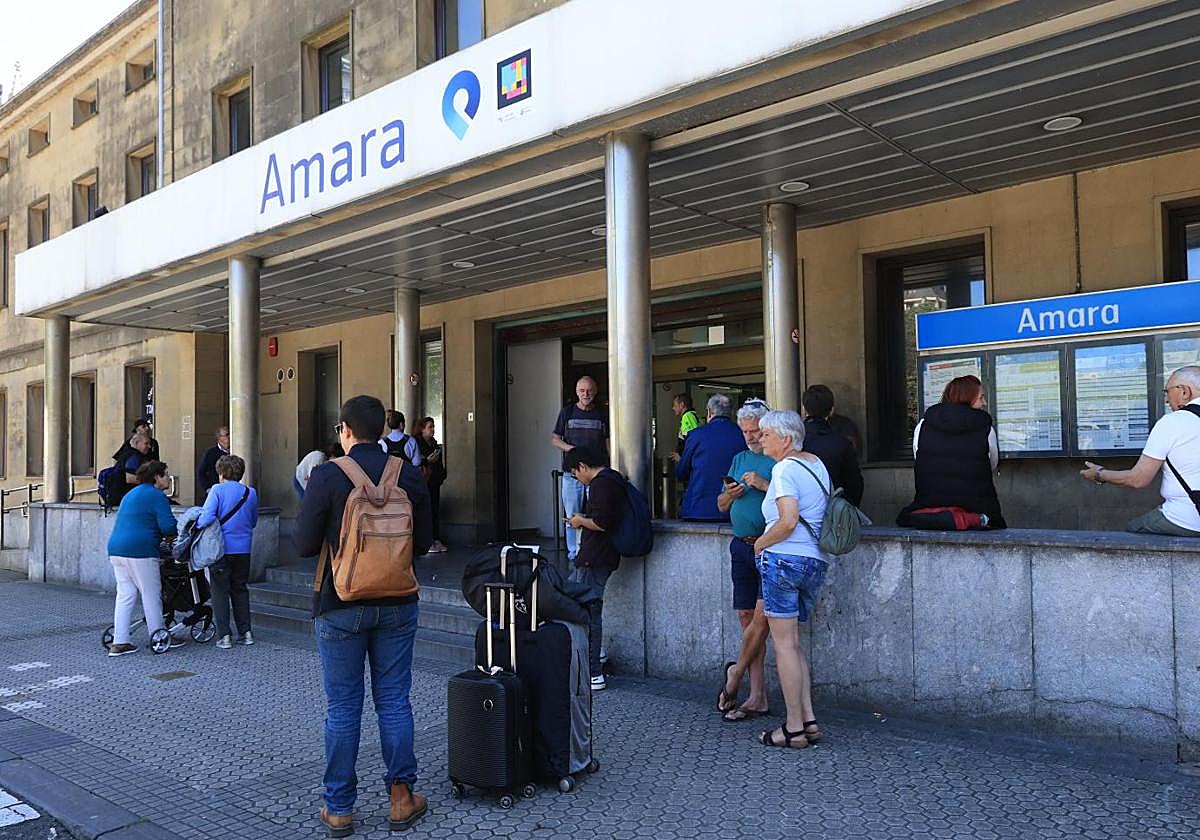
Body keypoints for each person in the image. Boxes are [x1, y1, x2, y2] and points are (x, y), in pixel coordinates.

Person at [296, 395, 432, 836]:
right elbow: (425, 541)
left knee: (342, 708)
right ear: (384, 430)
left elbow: (301, 543)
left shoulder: (328, 475)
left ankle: (339, 808)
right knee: (394, 701)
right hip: (398, 603)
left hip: (340, 605)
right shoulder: (409, 474)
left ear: (345, 430)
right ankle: (400, 798)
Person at [754, 410, 831, 749]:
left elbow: (787, 521)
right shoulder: (817, 464)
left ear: (785, 439)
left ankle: (793, 728)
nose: (760, 438)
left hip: (783, 559)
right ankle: (808, 720)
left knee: (784, 645)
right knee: (794, 644)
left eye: (766, 434)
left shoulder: (784, 468)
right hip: (813, 561)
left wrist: (760, 544)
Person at [1080, 365, 1200, 537]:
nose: (1166, 400)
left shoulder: (1174, 422)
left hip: (1188, 518)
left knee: (1134, 530)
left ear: (1184, 392)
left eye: (1167, 391)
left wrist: (1099, 474)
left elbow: (1138, 479)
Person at [714, 399, 774, 722]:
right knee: (746, 618)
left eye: (754, 430)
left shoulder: (776, 459)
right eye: (745, 431)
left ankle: (735, 677)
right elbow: (721, 504)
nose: (750, 436)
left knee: (761, 622)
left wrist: (762, 485)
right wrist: (730, 495)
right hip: (740, 545)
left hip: (768, 547)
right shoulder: (738, 458)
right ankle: (757, 694)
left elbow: (787, 500)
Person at [897, 375, 1007, 529]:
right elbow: (991, 464)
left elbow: (919, 458)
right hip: (978, 510)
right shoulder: (985, 427)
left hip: (931, 507)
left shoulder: (923, 425)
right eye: (981, 397)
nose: (984, 403)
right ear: (967, 397)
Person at [562, 446, 624, 691]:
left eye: (575, 473)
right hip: (599, 556)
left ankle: (593, 671)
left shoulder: (601, 484)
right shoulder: (613, 479)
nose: (576, 478)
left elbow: (602, 523)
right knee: (586, 609)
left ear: (583, 467)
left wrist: (579, 521)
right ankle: (594, 660)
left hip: (595, 557)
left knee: (588, 612)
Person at [105, 460, 182, 657]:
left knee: (125, 594)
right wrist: (172, 535)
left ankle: (120, 641)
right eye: (165, 474)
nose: (168, 478)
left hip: (116, 548)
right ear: (156, 477)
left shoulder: (131, 494)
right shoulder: (156, 496)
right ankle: (159, 636)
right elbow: (168, 527)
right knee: (151, 593)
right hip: (141, 550)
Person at [198, 454, 259, 650]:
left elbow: (206, 517)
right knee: (240, 589)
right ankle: (246, 632)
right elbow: (253, 521)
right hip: (243, 549)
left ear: (222, 473)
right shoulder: (251, 492)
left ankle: (224, 635)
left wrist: (196, 524)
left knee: (220, 591)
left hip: (220, 549)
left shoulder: (217, 490)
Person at [551, 376, 609, 562]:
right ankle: (573, 555)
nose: (586, 394)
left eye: (589, 390)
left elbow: (608, 441)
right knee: (572, 516)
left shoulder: (602, 414)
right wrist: (572, 450)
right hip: (572, 474)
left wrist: (612, 465)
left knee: (596, 516)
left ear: (595, 391)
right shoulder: (567, 412)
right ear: (577, 392)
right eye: (582, 391)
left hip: (596, 474)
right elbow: (555, 439)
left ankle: (591, 554)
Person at [674, 394, 747, 521]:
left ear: (709, 412)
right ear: (731, 412)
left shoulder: (696, 435)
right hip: (735, 509)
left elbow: (682, 472)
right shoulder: (744, 435)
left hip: (698, 509)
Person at [801, 385, 864, 506]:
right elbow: (855, 484)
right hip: (835, 513)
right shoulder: (842, 443)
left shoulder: (792, 440)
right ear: (831, 410)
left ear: (804, 410)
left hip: (799, 513)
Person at [416, 417, 448, 554]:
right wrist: (426, 460)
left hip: (435, 480)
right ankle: (428, 540)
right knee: (426, 510)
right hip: (424, 481)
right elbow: (417, 461)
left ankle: (436, 538)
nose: (433, 430)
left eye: (433, 426)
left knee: (435, 510)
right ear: (422, 429)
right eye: (430, 427)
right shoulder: (417, 443)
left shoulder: (434, 443)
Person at [196, 426, 230, 502]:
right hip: (216, 494)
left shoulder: (236, 450)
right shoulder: (210, 453)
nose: (230, 436)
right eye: (227, 434)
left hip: (231, 492)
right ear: (219, 438)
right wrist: (207, 488)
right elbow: (201, 472)